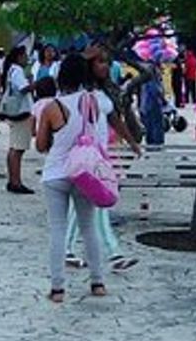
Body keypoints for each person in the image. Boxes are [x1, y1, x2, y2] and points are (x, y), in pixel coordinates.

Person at [35, 54, 107, 303]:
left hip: (56, 172)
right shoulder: (92, 102)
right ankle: (97, 282)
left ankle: (57, 289)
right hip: (83, 172)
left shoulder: (51, 107)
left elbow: (41, 145)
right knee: (89, 228)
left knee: (58, 229)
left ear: (60, 76)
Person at [64, 45, 143, 272]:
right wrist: (81, 56)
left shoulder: (103, 91)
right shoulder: (78, 89)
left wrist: (132, 142)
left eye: (107, 62)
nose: (105, 66)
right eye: (100, 62)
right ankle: (113, 253)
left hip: (99, 155)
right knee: (97, 203)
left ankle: (71, 250)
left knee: (89, 204)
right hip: (84, 154)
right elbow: (67, 70)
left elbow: (114, 121)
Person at [0, 46, 35, 194]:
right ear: (19, 57)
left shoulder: (11, 70)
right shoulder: (18, 71)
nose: (27, 58)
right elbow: (23, 88)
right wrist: (36, 84)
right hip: (21, 112)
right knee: (18, 148)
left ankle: (12, 180)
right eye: (25, 55)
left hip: (14, 111)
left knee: (14, 147)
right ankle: (16, 181)